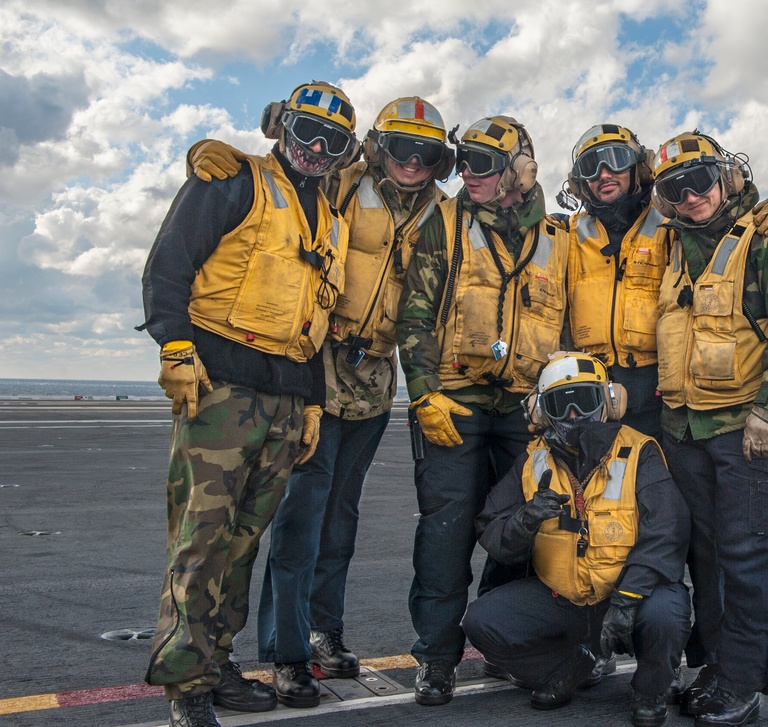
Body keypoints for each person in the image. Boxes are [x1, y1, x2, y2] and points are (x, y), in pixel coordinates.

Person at [187, 97, 453, 709]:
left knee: (340, 520)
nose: (412, 162)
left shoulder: (444, 212)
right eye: (402, 147)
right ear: (378, 146)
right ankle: (286, 654)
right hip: (319, 368)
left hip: (376, 379)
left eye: (427, 153)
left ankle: (323, 632)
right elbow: (287, 175)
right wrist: (227, 158)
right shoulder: (342, 182)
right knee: (300, 522)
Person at [138, 80, 356, 727]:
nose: (315, 148)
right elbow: (169, 264)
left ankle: (216, 663)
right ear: (279, 126)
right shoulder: (232, 181)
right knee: (201, 540)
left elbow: (315, 320)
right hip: (222, 391)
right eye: (306, 131)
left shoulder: (331, 220)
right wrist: (175, 345)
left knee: (241, 544)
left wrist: (312, 404)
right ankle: (186, 685)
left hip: (287, 399)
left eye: (333, 141)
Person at [396, 115, 569, 706]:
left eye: (484, 164)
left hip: (525, 412)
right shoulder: (443, 223)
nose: (469, 173)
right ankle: (436, 659)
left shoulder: (558, 238)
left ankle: (503, 646)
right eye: (464, 161)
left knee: (520, 535)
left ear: (520, 171)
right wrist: (424, 393)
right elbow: (415, 316)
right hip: (454, 401)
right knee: (444, 538)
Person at [650, 131, 768, 726]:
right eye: (675, 188)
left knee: (746, 562)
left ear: (727, 177)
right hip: (685, 431)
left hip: (745, 431)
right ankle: (716, 669)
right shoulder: (673, 245)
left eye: (700, 180)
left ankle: (742, 685)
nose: (691, 196)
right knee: (707, 559)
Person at [463, 351, 691, 727]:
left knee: (666, 612)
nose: (573, 414)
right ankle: (569, 668)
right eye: (560, 403)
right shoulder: (532, 461)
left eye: (584, 399)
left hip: (625, 598)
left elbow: (667, 532)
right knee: (482, 621)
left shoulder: (639, 452)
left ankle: (651, 690)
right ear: (542, 411)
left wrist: (626, 600)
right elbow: (492, 531)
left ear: (609, 401)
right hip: (563, 600)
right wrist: (524, 520)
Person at [563, 123, 768, 437]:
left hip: (658, 397)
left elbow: (724, 228)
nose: (604, 174)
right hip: (590, 391)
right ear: (579, 181)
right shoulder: (564, 235)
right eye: (590, 167)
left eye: (616, 160)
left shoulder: (675, 223)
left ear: (639, 168)